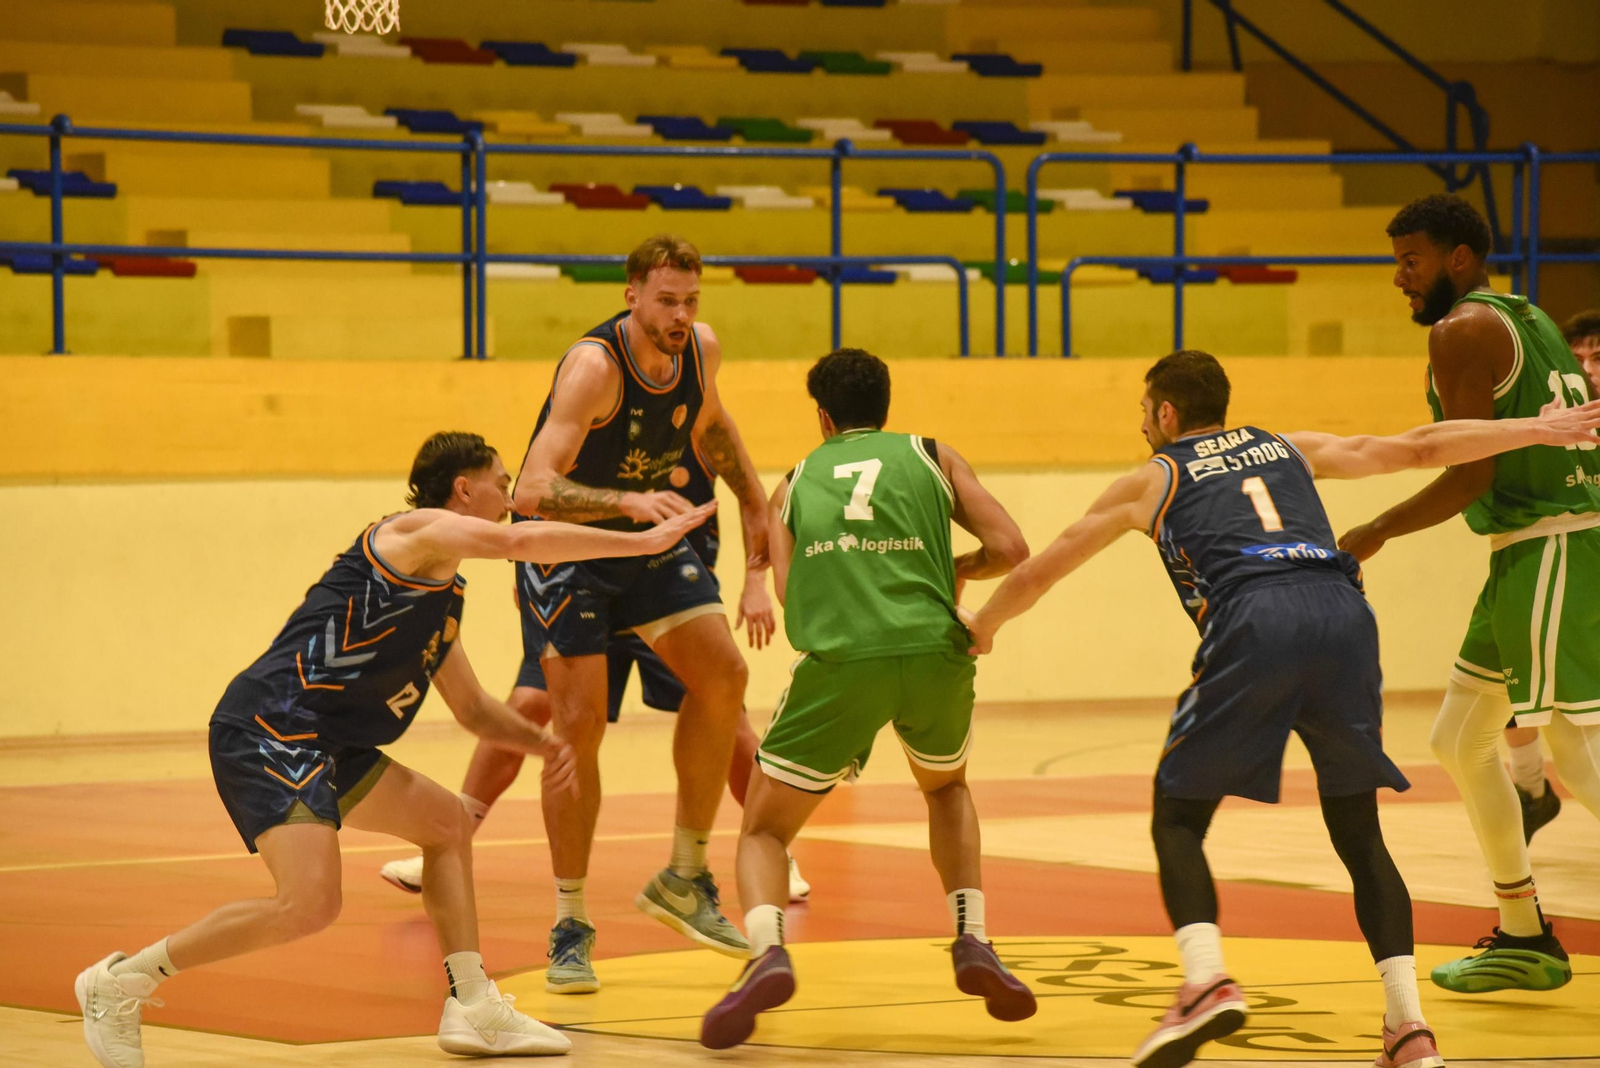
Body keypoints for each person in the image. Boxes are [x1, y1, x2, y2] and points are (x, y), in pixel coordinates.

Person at [962, 350, 1600, 1068]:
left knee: (1177, 814)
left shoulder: (1153, 478)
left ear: (1166, 413)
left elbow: (1044, 567)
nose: (1141, 424)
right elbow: (1420, 446)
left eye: (1144, 411)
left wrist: (982, 626)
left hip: (1256, 617)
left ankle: (1204, 981)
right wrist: (1538, 432)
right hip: (1343, 613)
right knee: (1359, 832)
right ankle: (1408, 1027)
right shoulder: (1288, 446)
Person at [74, 431, 717, 1068]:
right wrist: (643, 539)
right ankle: (122, 982)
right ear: (464, 489)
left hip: (333, 741)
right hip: (274, 726)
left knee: (446, 822)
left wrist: (543, 744)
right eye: (501, 480)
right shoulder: (413, 532)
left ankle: (473, 1004)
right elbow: (519, 541)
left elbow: (472, 709)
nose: (511, 492)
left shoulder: (445, 593)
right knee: (308, 905)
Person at [700, 348, 1034, 1050]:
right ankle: (972, 938)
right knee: (946, 790)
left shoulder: (795, 481)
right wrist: (957, 571)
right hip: (935, 653)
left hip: (844, 663)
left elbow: (790, 592)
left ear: (823, 417)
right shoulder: (934, 455)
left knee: (764, 829)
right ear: (885, 404)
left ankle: (766, 951)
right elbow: (1011, 546)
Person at [1341, 195, 1600, 994]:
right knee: (1459, 739)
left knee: (1578, 755)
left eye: (1410, 260)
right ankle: (1524, 934)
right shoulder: (1528, 314)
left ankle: (1526, 933)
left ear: (1458, 259)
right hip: (1527, 551)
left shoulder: (1461, 331)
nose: (1399, 278)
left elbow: (1470, 472)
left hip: (1552, 542)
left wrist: (1373, 531)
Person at [377, 439, 812, 908]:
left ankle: (774, 851)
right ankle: (451, 839)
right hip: (580, 588)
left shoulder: (698, 416)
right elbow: (534, 514)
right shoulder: (579, 422)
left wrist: (753, 582)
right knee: (527, 704)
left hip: (660, 591)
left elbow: (753, 498)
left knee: (731, 718)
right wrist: (530, 584)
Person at [511, 234, 771, 992]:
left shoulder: (700, 350)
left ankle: (685, 876)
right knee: (578, 726)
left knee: (724, 676)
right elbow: (529, 488)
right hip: (566, 550)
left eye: (691, 301)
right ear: (632, 295)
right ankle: (570, 921)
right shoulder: (594, 367)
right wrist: (624, 500)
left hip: (647, 544)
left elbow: (711, 427)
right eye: (666, 300)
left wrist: (754, 500)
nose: (681, 315)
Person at [1502, 307, 1600, 841]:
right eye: (1576, 356)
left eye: (1598, 356)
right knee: (1505, 676)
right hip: (1565, 562)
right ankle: (1530, 788)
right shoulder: (1556, 417)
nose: (1586, 367)